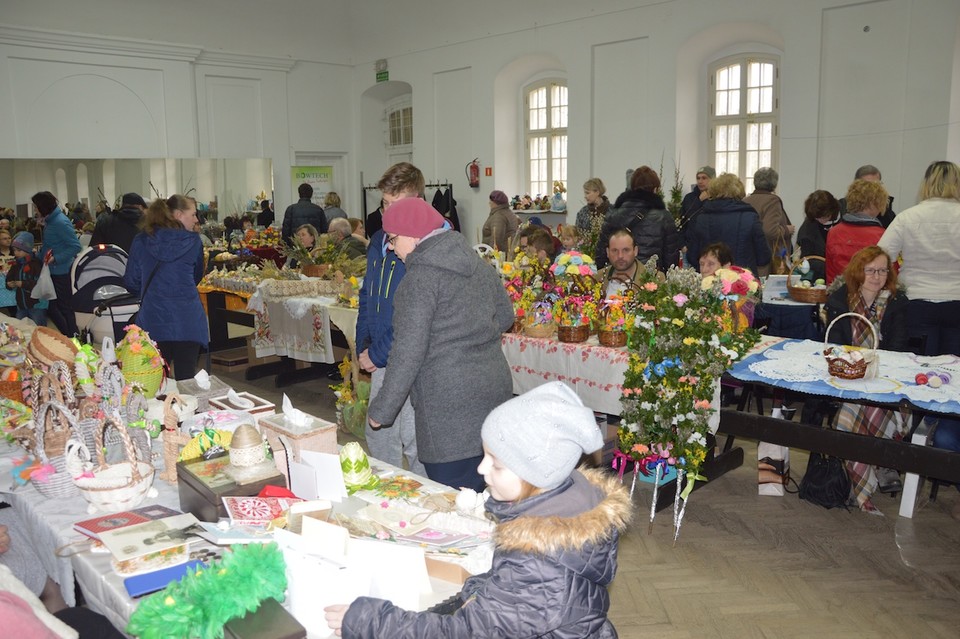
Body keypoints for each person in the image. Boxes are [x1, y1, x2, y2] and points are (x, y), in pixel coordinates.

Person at [326, 382, 632, 638]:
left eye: (496, 464)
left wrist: (368, 621)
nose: (482, 468)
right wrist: (483, 587)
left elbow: (461, 633)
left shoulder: (538, 561)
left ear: (535, 476)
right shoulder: (568, 505)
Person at [366, 197, 514, 491]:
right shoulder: (477, 265)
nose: (392, 249)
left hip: (448, 408)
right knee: (491, 492)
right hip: (493, 392)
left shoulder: (419, 280)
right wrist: (470, 336)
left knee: (455, 499)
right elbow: (506, 315)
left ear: (413, 234)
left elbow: (407, 353)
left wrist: (380, 411)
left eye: (393, 240)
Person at [355, 162, 427, 476]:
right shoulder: (379, 242)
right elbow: (367, 295)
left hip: (407, 357)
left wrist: (377, 353)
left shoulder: (420, 248)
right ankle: (387, 496)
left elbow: (413, 316)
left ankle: (430, 503)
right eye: (384, 203)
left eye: (394, 205)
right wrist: (363, 343)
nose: (386, 213)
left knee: (413, 440)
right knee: (381, 435)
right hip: (380, 353)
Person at [825, 246, 909, 513]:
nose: (876, 276)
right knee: (853, 406)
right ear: (858, 272)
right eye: (870, 270)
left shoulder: (897, 302)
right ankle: (878, 466)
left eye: (882, 270)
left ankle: (872, 469)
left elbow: (899, 346)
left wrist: (874, 366)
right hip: (848, 374)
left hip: (884, 375)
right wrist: (857, 365)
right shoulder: (840, 299)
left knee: (861, 407)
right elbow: (836, 345)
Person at [123, 195, 208, 381]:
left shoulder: (141, 241)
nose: (196, 219)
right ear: (178, 215)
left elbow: (131, 281)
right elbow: (196, 276)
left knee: (155, 379)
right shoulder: (194, 242)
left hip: (154, 319)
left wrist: (152, 290)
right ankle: (188, 409)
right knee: (187, 379)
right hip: (188, 320)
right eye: (193, 214)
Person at [596, 166, 681, 273]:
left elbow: (601, 253)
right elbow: (671, 258)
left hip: (619, 276)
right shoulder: (664, 217)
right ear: (655, 189)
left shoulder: (613, 214)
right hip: (649, 278)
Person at [685, 173, 771, 277]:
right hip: (743, 283)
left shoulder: (702, 218)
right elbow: (763, 258)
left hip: (712, 282)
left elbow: (692, 256)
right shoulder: (750, 217)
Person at [32, 191, 81, 337]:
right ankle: (68, 336)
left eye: (36, 207)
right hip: (52, 270)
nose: (35, 210)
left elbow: (75, 246)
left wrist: (56, 258)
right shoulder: (51, 221)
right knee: (53, 307)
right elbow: (51, 245)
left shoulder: (60, 222)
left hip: (61, 271)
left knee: (63, 308)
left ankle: (73, 338)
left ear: (43, 206)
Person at [825, 179, 887, 284]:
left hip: (839, 294)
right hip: (870, 295)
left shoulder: (834, 232)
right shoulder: (882, 235)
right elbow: (889, 273)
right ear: (874, 204)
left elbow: (830, 273)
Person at [743, 168, 795, 276]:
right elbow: (769, 230)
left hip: (749, 255)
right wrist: (786, 229)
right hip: (767, 256)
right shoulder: (772, 201)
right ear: (774, 184)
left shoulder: (745, 200)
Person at [796, 190, 840, 282]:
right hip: (818, 278)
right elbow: (807, 258)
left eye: (825, 216)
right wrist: (828, 265)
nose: (821, 220)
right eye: (817, 217)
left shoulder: (843, 221)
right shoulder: (807, 229)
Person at [6, 232, 48, 326]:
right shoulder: (15, 264)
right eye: (14, 250)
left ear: (27, 250)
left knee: (38, 328)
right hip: (21, 305)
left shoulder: (36, 264)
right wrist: (9, 284)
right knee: (20, 328)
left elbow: (39, 284)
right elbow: (9, 278)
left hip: (36, 305)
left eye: (18, 250)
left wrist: (23, 284)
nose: (15, 253)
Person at [600, 228, 648, 298]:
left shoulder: (653, 280)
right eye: (615, 250)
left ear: (635, 251)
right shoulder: (596, 278)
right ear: (607, 252)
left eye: (626, 250)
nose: (620, 256)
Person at [678, 165, 715, 238]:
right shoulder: (689, 197)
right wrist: (682, 244)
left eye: (704, 178)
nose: (700, 181)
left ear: (712, 180)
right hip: (689, 243)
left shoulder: (717, 198)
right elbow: (683, 221)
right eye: (698, 178)